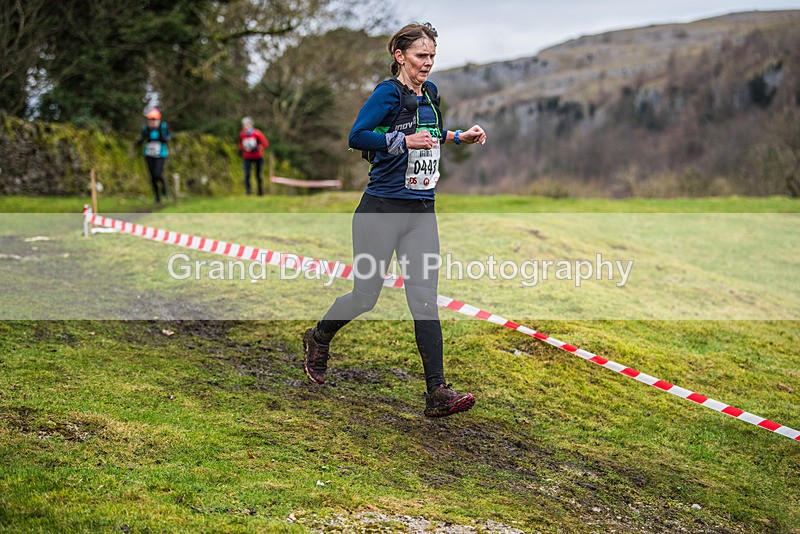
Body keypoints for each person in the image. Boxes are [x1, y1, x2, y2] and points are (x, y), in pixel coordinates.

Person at [302, 22, 487, 418]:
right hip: (381, 210)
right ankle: (319, 336)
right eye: (422, 56)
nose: (428, 63)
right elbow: (357, 136)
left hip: (421, 211)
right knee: (365, 297)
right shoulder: (387, 94)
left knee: (424, 301)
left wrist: (458, 137)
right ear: (400, 56)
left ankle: (436, 392)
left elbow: (430, 134)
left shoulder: (432, 95)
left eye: (433, 56)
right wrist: (402, 141)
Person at [137, 108, 172, 203]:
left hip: (160, 154)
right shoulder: (146, 129)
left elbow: (169, 137)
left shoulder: (163, 127)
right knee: (152, 176)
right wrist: (138, 142)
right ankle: (157, 197)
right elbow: (142, 139)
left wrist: (163, 138)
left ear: (158, 120)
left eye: (154, 120)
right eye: (150, 120)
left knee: (158, 173)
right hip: (149, 154)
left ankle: (164, 187)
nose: (152, 122)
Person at [238, 117, 269, 196]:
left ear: (251, 125)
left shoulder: (257, 133)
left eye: (247, 125)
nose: (245, 127)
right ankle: (248, 192)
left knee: (258, 175)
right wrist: (243, 148)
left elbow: (265, 144)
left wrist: (258, 148)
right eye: (244, 125)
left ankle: (260, 192)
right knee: (247, 174)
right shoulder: (242, 134)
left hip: (258, 156)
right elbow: (240, 144)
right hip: (247, 157)